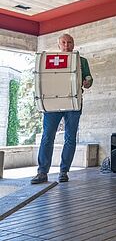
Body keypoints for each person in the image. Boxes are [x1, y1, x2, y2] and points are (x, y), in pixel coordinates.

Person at [31, 34, 93, 184]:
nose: (67, 45)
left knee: (70, 138)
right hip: (52, 104)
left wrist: (87, 81)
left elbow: (89, 80)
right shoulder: (48, 59)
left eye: (69, 42)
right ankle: (42, 172)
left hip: (73, 103)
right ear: (59, 45)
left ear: (73, 44)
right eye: (63, 42)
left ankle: (64, 171)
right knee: (47, 137)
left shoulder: (81, 61)